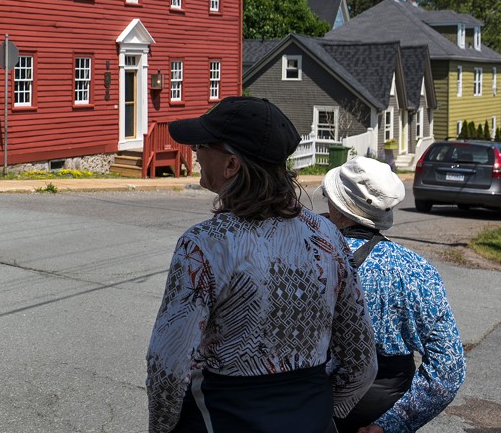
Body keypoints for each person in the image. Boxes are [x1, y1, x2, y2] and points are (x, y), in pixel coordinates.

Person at [147, 96, 377, 433]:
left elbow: (166, 366)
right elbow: (361, 361)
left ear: (231, 165)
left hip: (223, 417)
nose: (195, 152)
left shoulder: (204, 245)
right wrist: (320, 409)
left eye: (202, 145)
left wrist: (161, 430)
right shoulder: (327, 235)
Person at [320, 157, 466, 433]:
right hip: (378, 408)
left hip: (307, 403)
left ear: (338, 208)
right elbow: (448, 369)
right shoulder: (414, 270)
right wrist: (390, 425)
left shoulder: (305, 253)